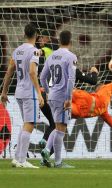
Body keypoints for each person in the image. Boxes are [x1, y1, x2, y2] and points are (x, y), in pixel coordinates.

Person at [0, 23, 44, 168]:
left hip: (18, 92)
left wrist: (4, 92)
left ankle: (17, 158)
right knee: (30, 124)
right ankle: (21, 160)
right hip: (29, 92)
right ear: (36, 35)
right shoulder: (35, 51)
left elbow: (9, 72)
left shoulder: (17, 51)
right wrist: (39, 93)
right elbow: (32, 72)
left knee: (26, 123)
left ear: (25, 34)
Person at [40, 30, 76, 168]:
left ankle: (46, 152)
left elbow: (42, 77)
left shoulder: (52, 56)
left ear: (59, 41)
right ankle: (58, 162)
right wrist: (68, 98)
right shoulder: (70, 56)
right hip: (62, 96)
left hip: (52, 96)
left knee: (57, 127)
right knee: (61, 129)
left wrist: (48, 92)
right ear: (70, 41)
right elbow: (71, 78)